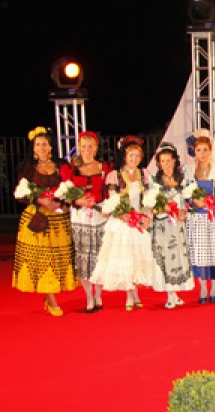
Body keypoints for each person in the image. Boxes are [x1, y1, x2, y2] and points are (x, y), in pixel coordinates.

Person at [12, 126, 76, 316]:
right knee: (44, 261)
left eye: (44, 144)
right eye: (37, 145)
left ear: (50, 147)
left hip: (58, 218)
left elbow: (69, 186)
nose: (41, 148)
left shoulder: (60, 165)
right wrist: (40, 200)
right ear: (33, 149)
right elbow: (22, 193)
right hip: (37, 219)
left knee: (56, 261)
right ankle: (51, 300)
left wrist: (61, 201)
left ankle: (48, 296)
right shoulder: (27, 168)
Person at [90, 135, 154, 310]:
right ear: (124, 157)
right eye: (131, 155)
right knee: (126, 259)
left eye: (137, 156)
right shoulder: (115, 175)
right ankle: (128, 296)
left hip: (139, 221)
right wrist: (122, 215)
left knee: (137, 258)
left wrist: (148, 216)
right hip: (122, 222)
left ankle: (136, 292)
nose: (134, 159)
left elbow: (149, 198)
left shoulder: (145, 175)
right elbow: (113, 200)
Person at [60, 131, 112, 312]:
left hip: (99, 215)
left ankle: (98, 294)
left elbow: (110, 192)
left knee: (100, 256)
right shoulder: (70, 169)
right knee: (83, 257)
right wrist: (77, 201)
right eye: (84, 147)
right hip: (80, 216)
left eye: (90, 147)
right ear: (79, 148)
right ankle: (88, 296)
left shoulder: (105, 167)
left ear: (96, 148)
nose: (87, 150)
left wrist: (108, 207)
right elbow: (64, 194)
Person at [183, 129, 215, 304]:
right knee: (201, 253)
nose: (202, 154)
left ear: (211, 151)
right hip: (198, 218)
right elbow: (185, 195)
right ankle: (203, 287)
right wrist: (194, 202)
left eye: (205, 150)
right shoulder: (188, 170)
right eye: (198, 150)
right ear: (194, 151)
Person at [149, 142, 194, 309]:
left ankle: (175, 293)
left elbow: (187, 201)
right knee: (166, 259)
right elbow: (151, 205)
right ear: (159, 164)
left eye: (169, 160)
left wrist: (183, 211)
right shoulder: (155, 182)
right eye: (163, 161)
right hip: (163, 225)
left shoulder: (183, 179)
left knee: (178, 259)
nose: (166, 164)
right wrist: (165, 208)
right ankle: (169, 294)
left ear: (175, 161)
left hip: (178, 225)